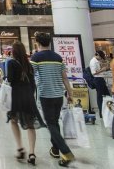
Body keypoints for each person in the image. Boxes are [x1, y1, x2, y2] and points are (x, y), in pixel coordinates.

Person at [30, 32, 74, 167]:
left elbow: (31, 76)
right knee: (54, 122)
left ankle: (66, 153)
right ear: (50, 42)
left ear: (37, 43)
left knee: (50, 124)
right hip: (59, 95)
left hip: (46, 96)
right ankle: (55, 149)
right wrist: (70, 94)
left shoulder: (36, 57)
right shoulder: (57, 57)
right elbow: (65, 78)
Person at [7, 41, 45, 165]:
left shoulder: (11, 63)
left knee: (13, 120)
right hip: (28, 96)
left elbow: (10, 80)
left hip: (17, 96)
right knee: (30, 124)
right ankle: (32, 153)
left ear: (14, 51)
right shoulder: (29, 64)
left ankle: (20, 148)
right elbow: (33, 83)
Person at [89, 50, 110, 118]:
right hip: (98, 80)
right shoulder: (93, 61)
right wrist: (102, 70)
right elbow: (93, 72)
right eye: (100, 57)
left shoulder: (97, 61)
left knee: (107, 95)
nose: (101, 59)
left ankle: (108, 110)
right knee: (100, 96)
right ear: (97, 54)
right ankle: (102, 112)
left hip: (100, 79)